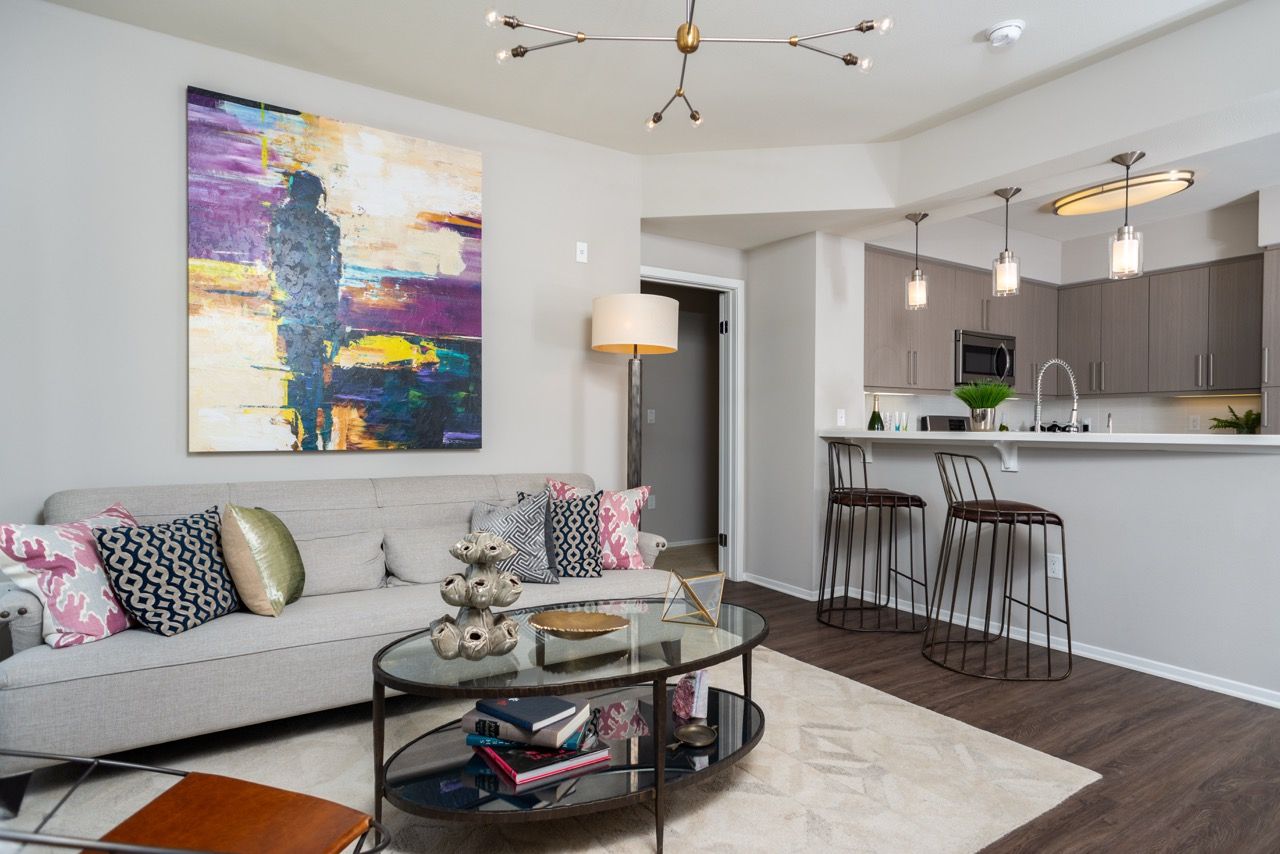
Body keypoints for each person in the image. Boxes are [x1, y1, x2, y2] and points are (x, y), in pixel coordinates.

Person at [268, 170, 343, 451]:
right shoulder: (328, 226)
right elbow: (334, 273)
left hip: (293, 311)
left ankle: (305, 430)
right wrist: (332, 315)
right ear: (316, 196)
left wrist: (281, 306)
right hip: (319, 313)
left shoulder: (281, 221)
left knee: (299, 372)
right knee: (316, 372)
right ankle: (316, 431)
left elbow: (277, 267)